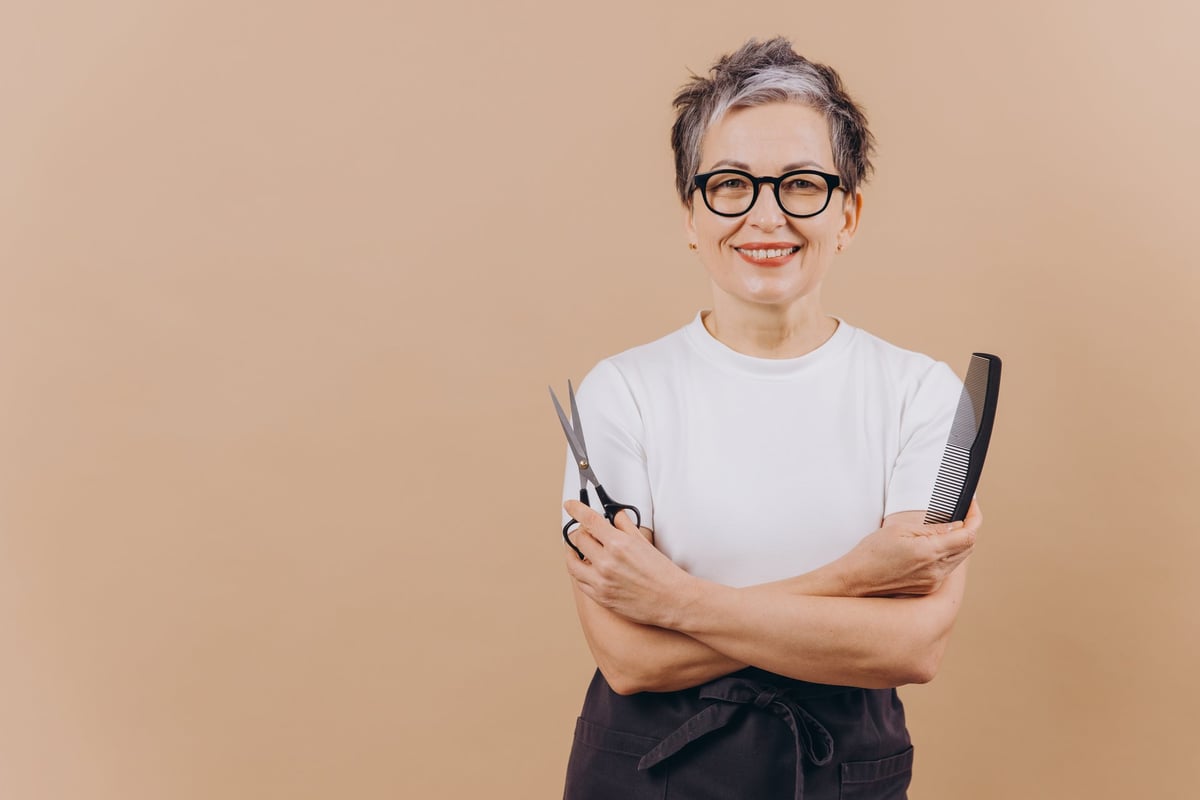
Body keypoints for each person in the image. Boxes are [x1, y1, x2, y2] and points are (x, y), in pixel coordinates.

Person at [558, 37, 983, 800]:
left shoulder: (921, 392)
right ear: (692, 213)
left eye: (801, 184)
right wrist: (857, 577)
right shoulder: (621, 391)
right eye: (730, 185)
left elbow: (914, 646)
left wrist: (674, 603)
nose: (766, 216)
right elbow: (631, 659)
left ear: (847, 214)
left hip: (843, 772)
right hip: (649, 772)